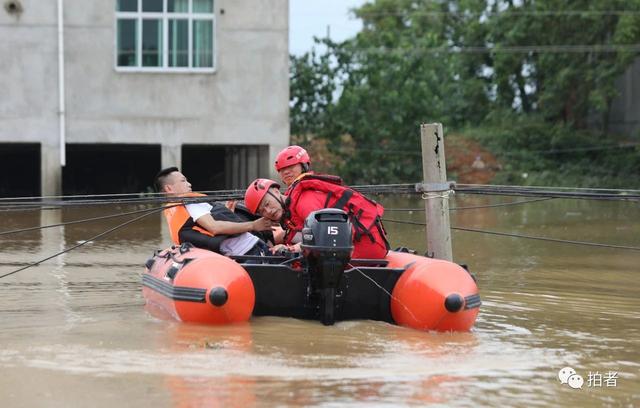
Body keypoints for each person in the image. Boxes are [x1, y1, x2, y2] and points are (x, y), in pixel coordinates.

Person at [244, 176, 390, 259]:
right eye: (262, 211)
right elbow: (299, 234)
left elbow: (323, 239)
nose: (268, 211)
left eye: (267, 204)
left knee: (294, 259)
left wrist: (290, 249)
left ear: (276, 191)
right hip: (351, 244)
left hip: (366, 247)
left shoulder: (304, 203)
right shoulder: (290, 210)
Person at [155, 167, 275, 257]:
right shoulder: (191, 202)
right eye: (183, 181)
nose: (189, 184)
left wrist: (227, 214)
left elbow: (204, 230)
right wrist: (254, 225)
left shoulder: (174, 210)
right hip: (250, 251)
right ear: (169, 188)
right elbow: (214, 228)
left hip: (246, 251)